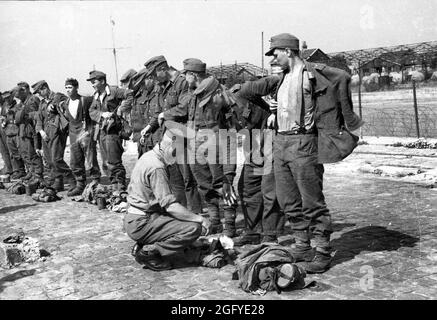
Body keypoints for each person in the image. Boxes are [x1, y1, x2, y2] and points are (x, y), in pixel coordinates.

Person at [238, 33, 364, 273]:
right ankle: (302, 245)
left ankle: (323, 252)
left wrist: (342, 118)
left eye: (275, 53)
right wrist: (272, 108)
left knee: (312, 202)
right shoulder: (281, 79)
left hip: (304, 143)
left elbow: (343, 76)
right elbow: (256, 93)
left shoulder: (310, 74)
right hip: (280, 142)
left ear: (288, 51)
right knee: (288, 201)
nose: (273, 58)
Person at [161, 58, 238, 237]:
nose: (184, 77)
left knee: (223, 184)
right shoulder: (194, 93)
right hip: (197, 145)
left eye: (186, 74)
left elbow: (229, 124)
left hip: (215, 145)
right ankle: (215, 221)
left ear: (192, 75)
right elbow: (185, 112)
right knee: (205, 185)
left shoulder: (216, 94)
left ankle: (230, 226)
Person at [124, 123, 210, 271]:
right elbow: (171, 207)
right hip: (142, 222)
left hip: (136, 217)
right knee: (193, 228)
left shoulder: (148, 156)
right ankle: (150, 252)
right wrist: (200, 219)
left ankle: (145, 244)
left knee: (183, 219)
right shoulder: (157, 167)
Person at [229, 75, 285, 246]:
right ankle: (253, 231)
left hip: (271, 140)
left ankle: (270, 235)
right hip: (253, 146)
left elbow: (277, 81)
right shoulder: (222, 112)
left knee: (270, 191)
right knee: (246, 187)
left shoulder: (245, 91)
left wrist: (276, 111)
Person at [142, 56, 202, 215]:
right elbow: (157, 112)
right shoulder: (160, 86)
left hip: (183, 136)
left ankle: (196, 212)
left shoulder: (182, 82)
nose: (153, 79)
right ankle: (181, 212)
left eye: (154, 74)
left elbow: (185, 108)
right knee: (174, 178)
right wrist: (149, 127)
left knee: (188, 178)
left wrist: (165, 114)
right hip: (168, 138)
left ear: (162, 69)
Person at [87, 70, 133, 191]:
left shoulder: (114, 91)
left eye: (94, 81)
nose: (92, 84)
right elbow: (91, 111)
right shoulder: (96, 95)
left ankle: (119, 185)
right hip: (102, 131)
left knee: (114, 160)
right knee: (106, 161)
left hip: (113, 131)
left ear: (102, 81)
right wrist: (102, 114)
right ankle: (113, 183)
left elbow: (130, 94)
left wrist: (121, 109)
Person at [60, 78, 101, 196]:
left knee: (90, 158)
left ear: (76, 87)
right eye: (66, 88)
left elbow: (94, 112)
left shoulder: (85, 100)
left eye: (70, 87)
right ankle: (80, 184)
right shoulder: (65, 103)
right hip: (72, 134)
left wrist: (91, 130)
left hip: (85, 133)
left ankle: (95, 182)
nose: (68, 90)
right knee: (75, 160)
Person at [33, 80, 73, 191]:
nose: (39, 94)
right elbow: (39, 120)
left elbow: (68, 104)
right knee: (50, 160)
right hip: (46, 134)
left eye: (39, 91)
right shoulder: (42, 103)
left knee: (56, 159)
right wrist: (41, 131)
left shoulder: (58, 97)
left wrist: (56, 106)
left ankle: (71, 179)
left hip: (57, 132)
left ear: (45, 88)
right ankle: (58, 181)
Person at [14, 82, 44, 185]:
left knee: (34, 155)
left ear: (25, 90)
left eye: (20, 91)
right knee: (28, 155)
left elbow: (36, 116)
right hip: (25, 131)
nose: (18, 95)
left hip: (32, 131)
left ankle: (38, 176)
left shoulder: (32, 100)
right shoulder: (23, 102)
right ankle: (33, 173)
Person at [129, 68, 160, 157]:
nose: (141, 87)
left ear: (150, 78)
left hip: (155, 140)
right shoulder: (145, 94)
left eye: (142, 83)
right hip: (145, 139)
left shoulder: (158, 93)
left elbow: (155, 116)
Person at [1, 89, 26, 179]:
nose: (7, 100)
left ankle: (25, 171)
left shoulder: (18, 105)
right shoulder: (5, 106)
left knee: (21, 153)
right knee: (13, 153)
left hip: (17, 132)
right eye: (5, 98)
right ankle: (19, 171)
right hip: (8, 133)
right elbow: (3, 116)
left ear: (12, 96)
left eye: (8, 98)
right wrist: (3, 121)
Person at [0, 92, 13, 177]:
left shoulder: (6, 105)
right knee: (3, 150)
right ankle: (8, 167)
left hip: (6, 130)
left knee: (9, 149)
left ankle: (13, 169)